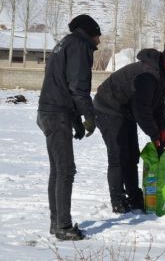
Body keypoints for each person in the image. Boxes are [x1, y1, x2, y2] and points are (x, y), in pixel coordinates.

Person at [93, 41, 165, 213]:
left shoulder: (164, 76)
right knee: (118, 156)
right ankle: (118, 200)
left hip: (125, 110)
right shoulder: (149, 76)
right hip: (108, 107)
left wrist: (161, 131)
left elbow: (158, 106)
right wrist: (154, 134)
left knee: (132, 155)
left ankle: (134, 196)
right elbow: (141, 110)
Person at [37, 14, 101, 240]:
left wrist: (76, 121)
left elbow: (62, 84)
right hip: (56, 114)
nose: (99, 42)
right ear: (90, 33)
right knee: (65, 170)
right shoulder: (79, 46)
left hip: (49, 112)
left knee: (58, 170)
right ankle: (63, 226)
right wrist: (89, 116)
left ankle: (57, 223)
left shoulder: (64, 43)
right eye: (98, 36)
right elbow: (78, 86)